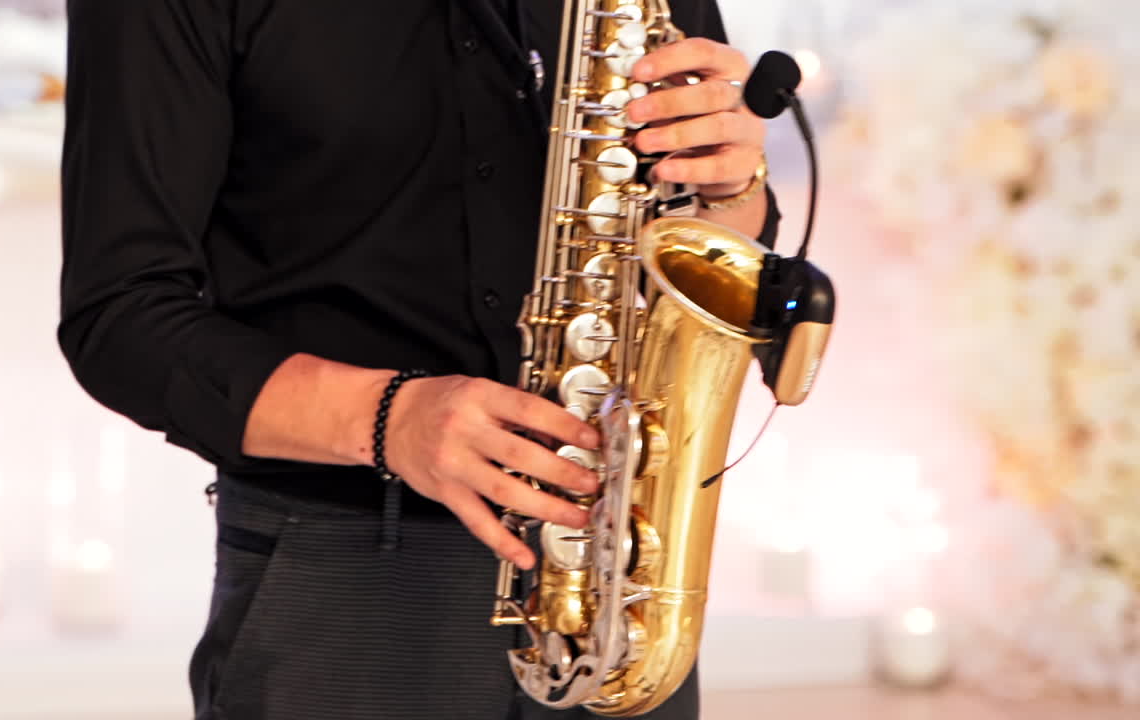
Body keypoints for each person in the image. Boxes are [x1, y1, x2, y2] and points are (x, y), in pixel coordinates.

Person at [59, 1, 779, 718]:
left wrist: (733, 190)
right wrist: (389, 416)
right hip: (343, 579)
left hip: (617, 565)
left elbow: (696, 241)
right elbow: (119, 315)